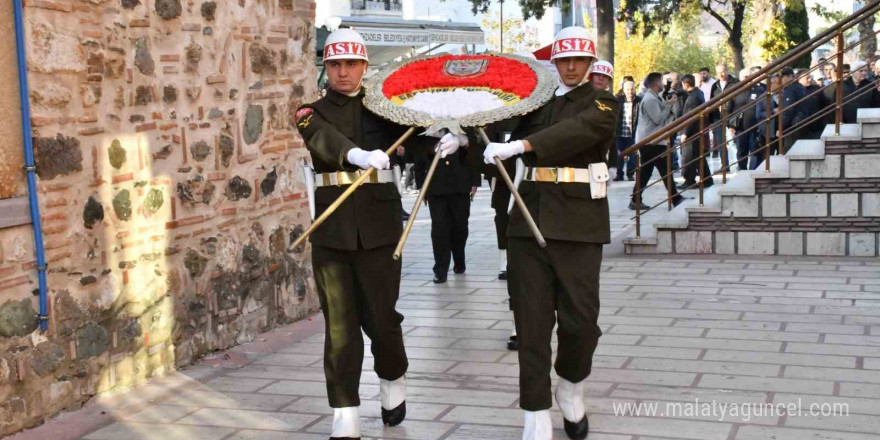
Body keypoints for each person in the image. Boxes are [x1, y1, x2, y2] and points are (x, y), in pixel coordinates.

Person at [294, 28, 461, 439]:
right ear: (325, 68)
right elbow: (323, 138)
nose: (343, 72)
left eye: (351, 64)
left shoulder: (386, 109)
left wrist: (448, 140)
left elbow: (419, 138)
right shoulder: (308, 111)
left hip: (381, 230)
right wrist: (355, 154)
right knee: (339, 325)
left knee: (382, 319)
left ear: (365, 67)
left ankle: (392, 380)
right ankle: (345, 410)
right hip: (331, 232)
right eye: (335, 65)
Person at [481, 26, 618, 440]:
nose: (572, 67)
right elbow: (490, 120)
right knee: (531, 322)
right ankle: (535, 412)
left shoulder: (603, 102)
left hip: (579, 223)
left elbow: (576, 133)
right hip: (529, 217)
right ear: (554, 62)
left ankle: (572, 384)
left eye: (579, 60)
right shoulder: (534, 102)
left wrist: (522, 146)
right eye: (564, 60)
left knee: (581, 322)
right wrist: (460, 138)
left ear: (590, 62)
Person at [425, 145, 480, 284]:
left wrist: (475, 181)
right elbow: (421, 152)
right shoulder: (428, 125)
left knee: (460, 227)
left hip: (461, 183)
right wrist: (421, 184)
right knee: (439, 229)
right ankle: (440, 269)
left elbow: (472, 149)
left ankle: (459, 258)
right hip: (435, 184)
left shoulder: (464, 125)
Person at [630, 72, 685, 210]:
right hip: (651, 141)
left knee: (646, 171)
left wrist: (667, 103)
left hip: (652, 140)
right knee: (665, 169)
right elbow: (658, 119)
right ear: (656, 83)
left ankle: (636, 200)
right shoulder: (650, 99)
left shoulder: (653, 97)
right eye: (662, 81)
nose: (663, 84)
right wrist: (668, 105)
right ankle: (675, 198)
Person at [678, 74, 713, 189]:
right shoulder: (698, 92)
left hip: (692, 132)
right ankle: (707, 179)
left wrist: (685, 133)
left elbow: (690, 117)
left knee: (689, 157)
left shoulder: (693, 97)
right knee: (698, 156)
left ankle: (689, 181)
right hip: (698, 130)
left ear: (685, 84)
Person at [730, 66, 767, 170]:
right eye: (744, 77)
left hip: (755, 127)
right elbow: (728, 109)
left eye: (748, 76)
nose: (746, 78)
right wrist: (730, 125)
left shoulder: (760, 89)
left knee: (755, 151)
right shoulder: (734, 90)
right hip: (740, 128)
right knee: (741, 152)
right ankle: (742, 171)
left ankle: (752, 172)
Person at [710, 63, 739, 165]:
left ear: (727, 70)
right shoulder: (715, 85)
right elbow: (711, 101)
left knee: (735, 141)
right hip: (718, 116)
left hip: (731, 115)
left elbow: (739, 102)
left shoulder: (735, 83)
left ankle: (739, 164)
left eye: (722, 71)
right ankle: (724, 165)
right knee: (720, 142)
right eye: (718, 72)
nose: (721, 74)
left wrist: (733, 121)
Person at [615, 79, 640, 181]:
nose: (630, 91)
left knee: (632, 156)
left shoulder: (639, 101)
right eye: (628, 89)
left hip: (633, 133)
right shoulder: (618, 100)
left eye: (632, 89)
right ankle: (619, 174)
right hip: (620, 133)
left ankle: (630, 174)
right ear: (624, 90)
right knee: (619, 155)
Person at [779, 67, 807, 153]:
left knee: (791, 150)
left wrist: (781, 127)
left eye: (783, 77)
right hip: (801, 121)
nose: (782, 80)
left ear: (789, 76)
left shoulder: (791, 89)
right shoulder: (800, 87)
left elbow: (788, 110)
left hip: (793, 124)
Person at [756, 73, 781, 163]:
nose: (780, 85)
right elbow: (759, 114)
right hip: (768, 132)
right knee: (768, 157)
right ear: (771, 84)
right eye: (778, 83)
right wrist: (773, 112)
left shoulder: (784, 94)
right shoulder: (763, 97)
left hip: (781, 130)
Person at [797, 68, 825, 140]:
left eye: (810, 77)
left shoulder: (816, 89)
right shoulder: (794, 91)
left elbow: (825, 103)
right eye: (807, 78)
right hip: (801, 127)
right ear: (799, 79)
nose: (809, 80)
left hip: (817, 125)